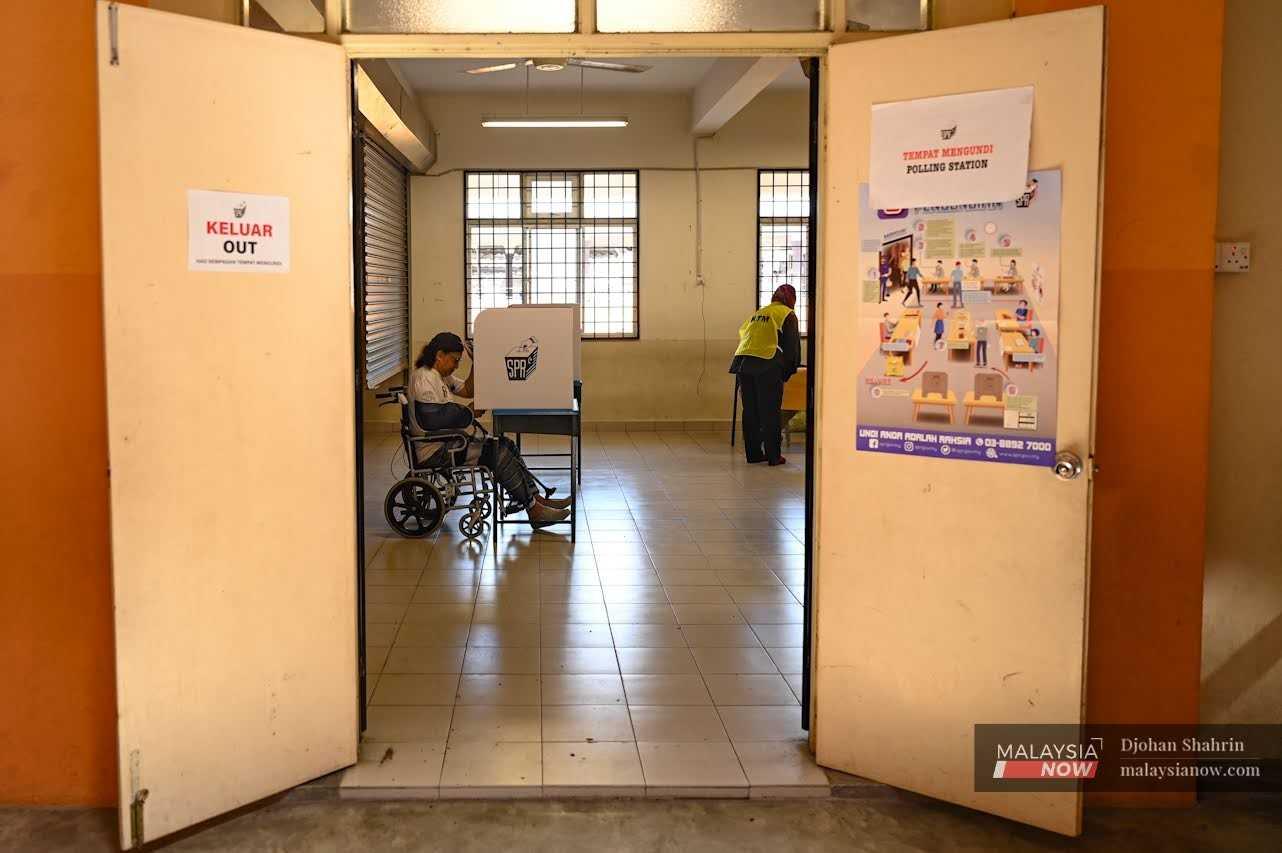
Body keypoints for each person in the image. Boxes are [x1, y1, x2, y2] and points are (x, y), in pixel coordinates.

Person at [409, 332, 571, 529]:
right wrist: (469, 412)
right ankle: (533, 509)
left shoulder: (441, 376)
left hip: (449, 441)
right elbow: (433, 420)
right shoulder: (424, 378)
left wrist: (476, 363)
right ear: (439, 355)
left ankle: (535, 498)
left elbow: (468, 389)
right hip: (436, 450)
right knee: (498, 453)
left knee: (506, 444)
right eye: (454, 360)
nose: (456, 366)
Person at [729, 284, 802, 467]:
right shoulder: (786, 314)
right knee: (770, 411)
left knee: (751, 411)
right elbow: (792, 349)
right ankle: (773, 456)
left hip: (743, 364)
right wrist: (787, 371)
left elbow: (743, 333)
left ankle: (753, 454)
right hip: (767, 364)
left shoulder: (758, 313)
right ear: (791, 299)